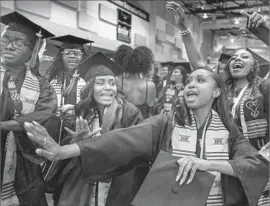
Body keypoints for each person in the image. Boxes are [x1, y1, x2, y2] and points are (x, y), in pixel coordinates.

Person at [25, 67, 269, 206]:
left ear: (216, 91)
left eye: (200, 80)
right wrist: (64, 150)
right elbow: (122, 139)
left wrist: (205, 164)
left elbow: (255, 165)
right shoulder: (166, 124)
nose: (190, 85)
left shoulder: (229, 131)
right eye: (189, 81)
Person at [166, 2, 270, 205]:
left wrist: (265, 32)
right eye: (234, 57)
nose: (237, 59)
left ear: (253, 67)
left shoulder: (262, 89)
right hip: (222, 157)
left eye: (244, 56)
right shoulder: (221, 91)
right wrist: (184, 29)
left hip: (255, 160)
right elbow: (198, 66)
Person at [42, 52, 144, 206]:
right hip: (81, 187)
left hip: (116, 187)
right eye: (101, 82)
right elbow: (61, 155)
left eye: (111, 83)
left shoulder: (130, 113)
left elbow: (138, 148)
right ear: (90, 87)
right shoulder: (77, 113)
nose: (108, 88)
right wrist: (77, 142)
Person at [0, 11, 58, 206]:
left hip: (25, 160)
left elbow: (45, 114)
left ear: (32, 50)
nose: (9, 45)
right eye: (5, 39)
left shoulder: (42, 85)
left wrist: (5, 125)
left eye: (18, 42)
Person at [46, 35, 93, 111]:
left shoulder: (89, 81)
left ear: (83, 57)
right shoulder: (51, 80)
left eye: (76, 53)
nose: (72, 56)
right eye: (67, 53)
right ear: (61, 57)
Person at [114, 44, 156, 118]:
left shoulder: (117, 82)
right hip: (141, 126)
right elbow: (150, 112)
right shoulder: (149, 86)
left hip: (120, 126)